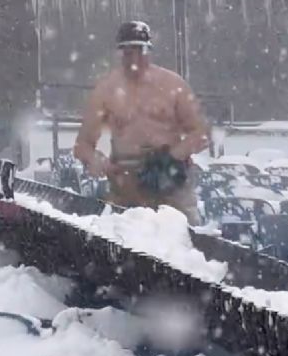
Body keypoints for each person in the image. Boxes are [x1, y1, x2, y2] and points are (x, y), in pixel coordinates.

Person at [73, 21, 209, 225]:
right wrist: (101, 163)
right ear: (119, 53)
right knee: (127, 243)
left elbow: (201, 133)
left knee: (184, 242)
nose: (135, 59)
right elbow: (82, 145)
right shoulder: (106, 90)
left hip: (171, 181)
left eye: (140, 51)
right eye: (128, 53)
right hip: (126, 182)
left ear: (150, 51)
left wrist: (170, 158)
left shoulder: (173, 85)